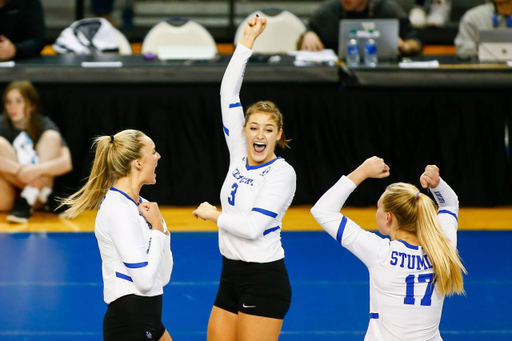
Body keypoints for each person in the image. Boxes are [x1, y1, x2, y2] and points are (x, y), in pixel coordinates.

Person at [193, 16, 296, 341]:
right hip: (230, 274)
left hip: (264, 278)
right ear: (244, 131)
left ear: (278, 135)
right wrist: (247, 41)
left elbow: (252, 229)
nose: (259, 135)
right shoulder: (239, 150)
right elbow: (228, 92)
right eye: (253, 127)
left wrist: (213, 214)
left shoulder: (281, 173)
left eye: (268, 129)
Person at [311, 157, 466, 340]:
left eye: (378, 207)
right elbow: (449, 204)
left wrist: (362, 171)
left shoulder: (380, 253)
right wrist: (437, 185)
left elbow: (322, 210)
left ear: (388, 217)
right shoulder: (443, 248)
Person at [61, 129, 174, 341]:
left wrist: (163, 231)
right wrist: (158, 228)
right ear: (138, 162)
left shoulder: (143, 207)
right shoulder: (118, 210)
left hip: (149, 320)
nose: (158, 157)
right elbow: (144, 281)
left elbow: (163, 277)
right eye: (153, 151)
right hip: (129, 324)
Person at [0, 80, 72, 223]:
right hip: (15, 191)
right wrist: (19, 170)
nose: (12, 107)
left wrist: (35, 170)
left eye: (19, 101)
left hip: (38, 184)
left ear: (31, 105)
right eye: (9, 102)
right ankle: (44, 195)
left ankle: (28, 197)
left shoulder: (43, 124)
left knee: (52, 137)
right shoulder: (2, 123)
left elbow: (66, 163)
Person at [301, 0, 422, 56]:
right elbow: (305, 32)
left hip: (379, 77)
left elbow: (415, 41)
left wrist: (405, 46)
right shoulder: (327, 10)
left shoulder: (387, 9)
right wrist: (308, 34)